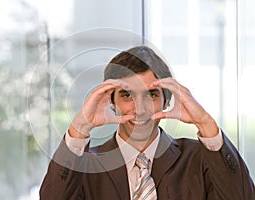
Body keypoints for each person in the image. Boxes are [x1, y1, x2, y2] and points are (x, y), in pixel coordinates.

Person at [40, 46, 254, 200]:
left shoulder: (200, 158)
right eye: (126, 95)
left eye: (151, 95)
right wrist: (79, 130)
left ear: (166, 100)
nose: (139, 109)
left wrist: (206, 124)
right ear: (111, 101)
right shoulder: (84, 166)